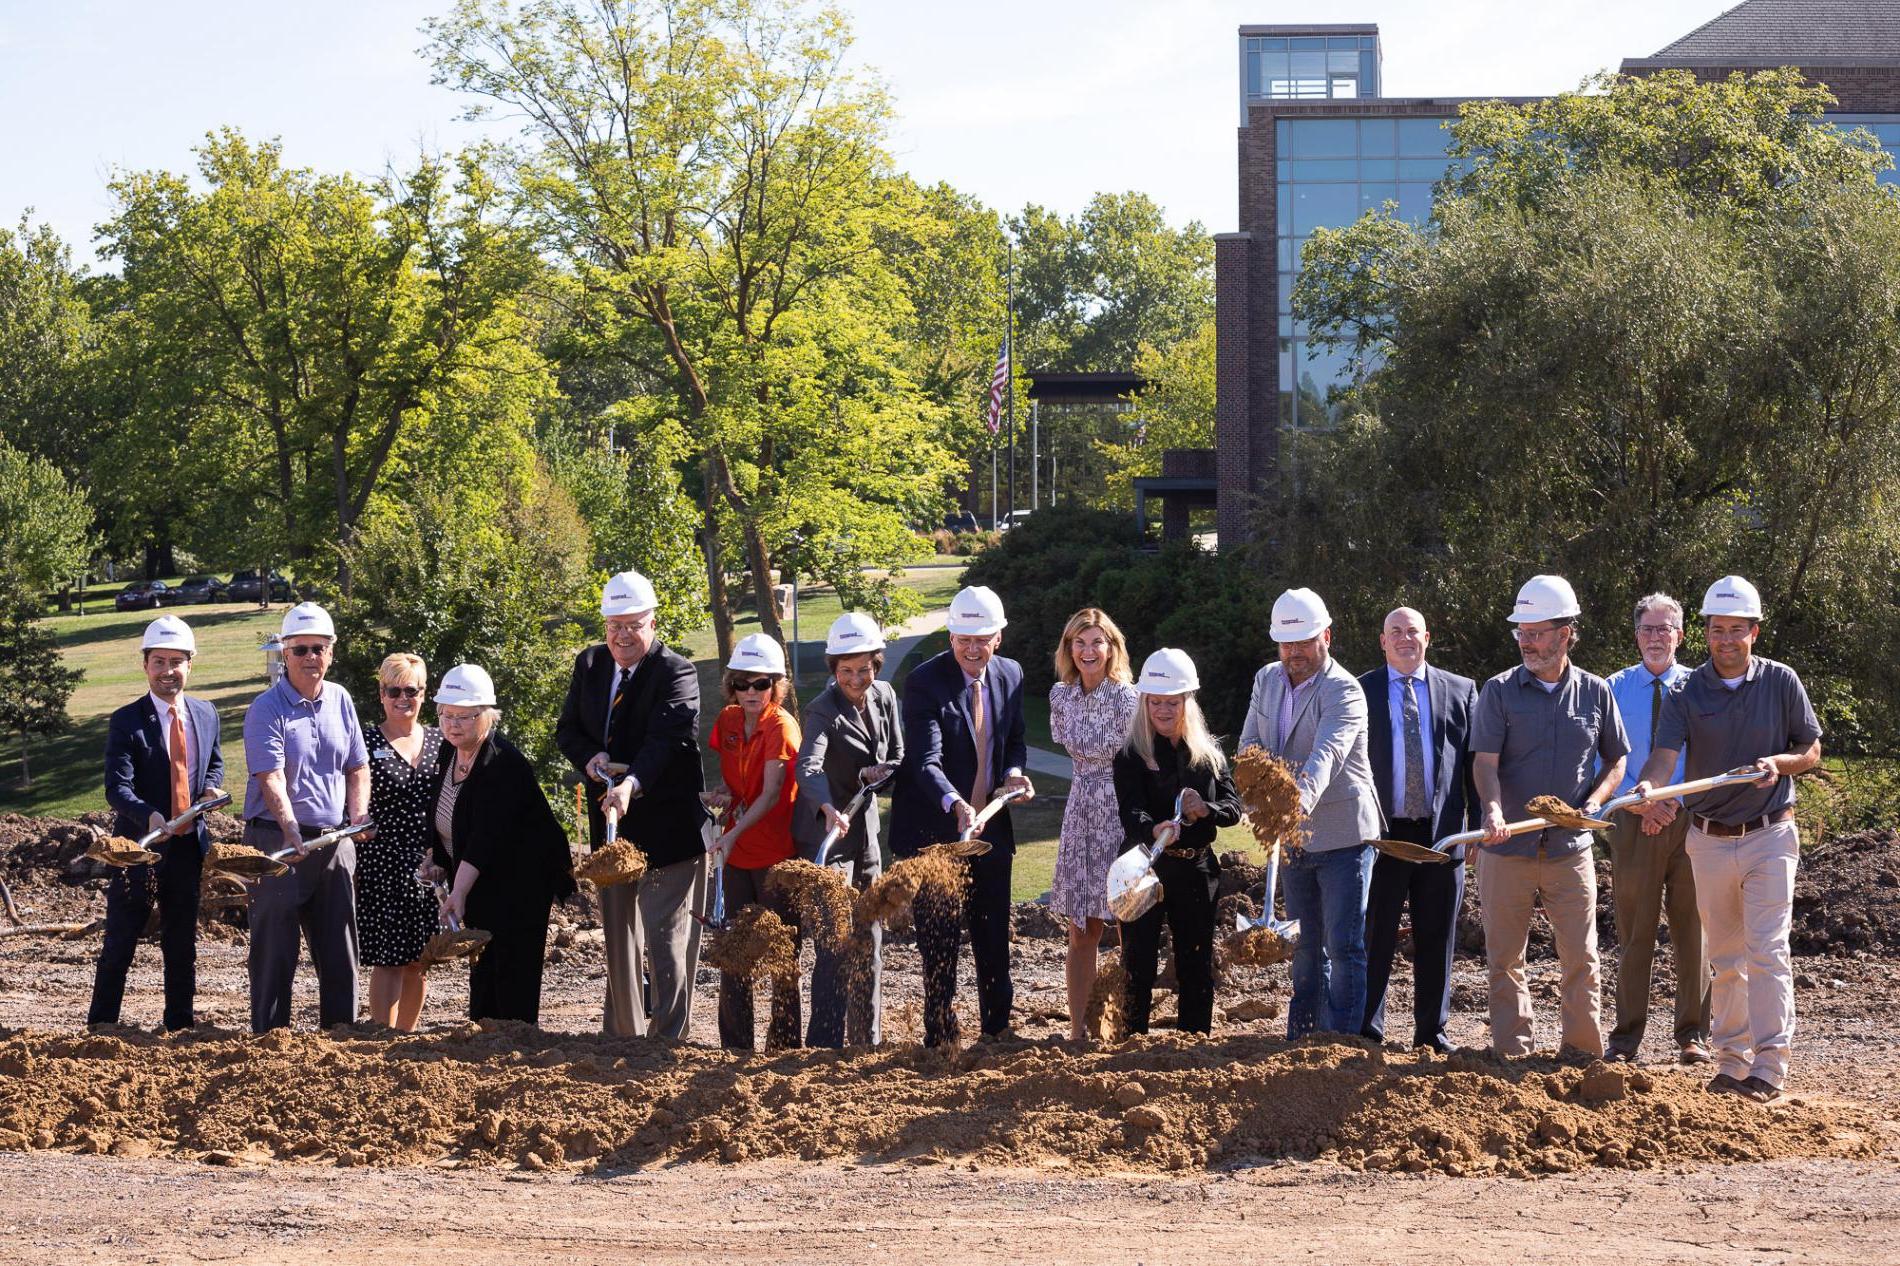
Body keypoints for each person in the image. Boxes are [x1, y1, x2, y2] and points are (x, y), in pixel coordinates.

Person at [1627, 576, 1821, 1104]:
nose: (1727, 640)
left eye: (1738, 630)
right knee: (1727, 958)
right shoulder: (1688, 691)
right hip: (1707, 839)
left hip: (1769, 834)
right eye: (1717, 630)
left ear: (1754, 632)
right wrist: (1650, 785)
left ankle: (1769, 1067)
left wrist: (1778, 765)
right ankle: (1732, 1062)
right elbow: (1665, 756)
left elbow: (1810, 750)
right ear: (1705, 634)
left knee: (1767, 951)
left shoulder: (1781, 682)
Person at [1470, 574, 1629, 1059]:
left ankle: (1582, 1053)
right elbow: (1484, 763)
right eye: (1521, 632)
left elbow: (1617, 759)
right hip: (1507, 848)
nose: (1525, 642)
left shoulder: (1595, 692)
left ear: (1565, 633)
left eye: (1535, 632)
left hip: (1569, 850)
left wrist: (1596, 801)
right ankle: (1511, 1052)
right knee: (1504, 959)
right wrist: (1493, 810)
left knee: (1581, 957)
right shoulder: (1499, 692)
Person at [555, 570, 708, 1039]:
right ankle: (621, 1033)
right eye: (614, 625)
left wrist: (631, 783)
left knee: (664, 939)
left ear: (652, 622)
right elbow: (568, 731)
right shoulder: (590, 665)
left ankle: (667, 1040)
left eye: (633, 625)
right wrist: (591, 757)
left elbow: (666, 741)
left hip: (667, 828)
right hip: (611, 828)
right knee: (619, 940)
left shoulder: (677, 673)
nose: (623, 635)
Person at [889, 585, 1034, 1046]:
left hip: (991, 828)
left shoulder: (1010, 675)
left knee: (993, 934)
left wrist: (1012, 773)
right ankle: (940, 1035)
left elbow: (1014, 741)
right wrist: (954, 802)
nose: (972, 649)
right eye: (963, 639)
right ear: (950, 636)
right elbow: (924, 761)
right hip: (937, 829)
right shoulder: (924, 682)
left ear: (999, 637)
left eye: (982, 638)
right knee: (939, 939)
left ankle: (997, 1030)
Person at [1238, 587, 1383, 1038]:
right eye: (1286, 643)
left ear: (1327, 637)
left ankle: (1340, 1044)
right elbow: (1249, 747)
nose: (1294, 652)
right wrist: (1255, 797)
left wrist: (1292, 804)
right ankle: (1302, 1038)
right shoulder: (1266, 679)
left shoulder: (1344, 690)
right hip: (1292, 837)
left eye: (1303, 642)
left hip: (1343, 835)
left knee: (1343, 947)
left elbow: (1328, 756)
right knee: (1304, 948)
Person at [89, 616, 224, 1032]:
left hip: (187, 847)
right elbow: (117, 788)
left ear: (190, 664)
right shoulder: (127, 720)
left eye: (177, 662)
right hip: (139, 849)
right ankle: (102, 1027)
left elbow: (213, 765)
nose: (169, 671)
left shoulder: (206, 713)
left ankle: (179, 1027)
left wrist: (210, 791)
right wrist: (149, 816)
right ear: (145, 665)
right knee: (121, 941)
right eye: (160, 662)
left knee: (181, 942)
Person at [241, 602, 370, 1032]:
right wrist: (291, 828)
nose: (310, 657)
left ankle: (342, 1039)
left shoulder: (341, 700)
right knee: (275, 949)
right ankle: (271, 1041)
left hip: (334, 842)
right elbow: (270, 777)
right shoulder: (266, 708)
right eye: (300, 650)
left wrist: (358, 816)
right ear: (284, 653)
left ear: (331, 651)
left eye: (319, 648)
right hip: (276, 844)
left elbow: (356, 765)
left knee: (339, 949)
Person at [1357, 607, 1479, 1054]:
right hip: (1382, 835)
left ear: (1427, 637)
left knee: (1437, 937)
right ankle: (1368, 1030)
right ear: (1383, 641)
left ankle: (1431, 1033)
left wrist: (1478, 829)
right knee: (1376, 935)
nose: (1405, 638)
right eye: (1395, 632)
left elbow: (1473, 766)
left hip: (1442, 836)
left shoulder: (1462, 691)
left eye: (1413, 631)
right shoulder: (1361, 691)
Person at [429, 665, 577, 1025]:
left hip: (521, 880)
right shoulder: (449, 753)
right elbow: (443, 812)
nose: (453, 724)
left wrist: (458, 891)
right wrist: (435, 858)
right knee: (482, 965)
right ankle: (482, 1036)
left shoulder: (502, 763)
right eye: (446, 715)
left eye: (464, 716)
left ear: (487, 716)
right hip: (479, 876)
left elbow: (485, 836)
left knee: (512, 967)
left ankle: (516, 1047)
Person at [1603, 593, 1709, 1065]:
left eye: (1665, 628)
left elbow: (1709, 753)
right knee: (1634, 932)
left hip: (1692, 821)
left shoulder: (1702, 687)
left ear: (1681, 636)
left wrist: (1672, 801)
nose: (1656, 637)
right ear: (1636, 634)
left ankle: (1693, 1035)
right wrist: (1639, 804)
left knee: (1694, 932)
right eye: (1647, 628)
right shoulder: (1613, 688)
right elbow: (1605, 757)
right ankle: (1625, 1039)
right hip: (1631, 821)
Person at [1114, 649, 1242, 1036]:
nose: (1163, 710)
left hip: (1196, 868)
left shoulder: (1209, 754)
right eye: (1156, 702)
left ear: (1188, 701)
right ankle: (1130, 1041)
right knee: (1137, 960)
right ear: (1145, 702)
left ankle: (1193, 1043)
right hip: (1145, 868)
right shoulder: (1130, 754)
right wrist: (1154, 829)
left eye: (1172, 702)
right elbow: (1130, 811)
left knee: (1195, 960)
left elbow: (1233, 807)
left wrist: (1206, 809)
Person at [795, 612, 903, 1048]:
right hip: (829, 835)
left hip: (866, 834)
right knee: (833, 943)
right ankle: (823, 1043)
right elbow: (809, 766)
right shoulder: (822, 710)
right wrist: (827, 806)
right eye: (845, 671)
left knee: (870, 938)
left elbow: (897, 754)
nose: (855, 680)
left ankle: (866, 1041)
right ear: (833, 669)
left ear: (876, 665)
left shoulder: (886, 696)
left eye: (864, 670)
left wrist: (882, 772)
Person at [706, 634, 802, 1050]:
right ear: (731, 684)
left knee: (782, 953)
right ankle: (736, 1046)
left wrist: (731, 835)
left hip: (774, 854)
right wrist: (722, 796)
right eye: (742, 683)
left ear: (776, 685)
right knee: (734, 951)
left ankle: (783, 1046)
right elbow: (738, 784)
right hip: (736, 852)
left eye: (760, 684)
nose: (750, 692)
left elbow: (770, 794)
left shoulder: (781, 725)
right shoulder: (727, 721)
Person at [1048, 608, 1140, 1042]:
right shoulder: (1060, 697)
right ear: (1069, 648)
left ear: (1111, 648)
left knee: (1128, 923)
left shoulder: (1128, 698)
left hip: (1121, 811)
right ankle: (1079, 1030)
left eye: (1096, 642)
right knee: (1082, 929)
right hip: (1079, 809)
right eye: (1079, 642)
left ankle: (1126, 1025)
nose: (1088, 651)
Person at [357, 653, 440, 1031]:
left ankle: (406, 1039)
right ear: (381, 694)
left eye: (412, 690)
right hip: (382, 863)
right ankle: (382, 1036)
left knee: (418, 960)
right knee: (387, 959)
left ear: (424, 694)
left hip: (429, 866)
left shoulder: (442, 740)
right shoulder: (364, 740)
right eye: (395, 690)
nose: (402, 698)